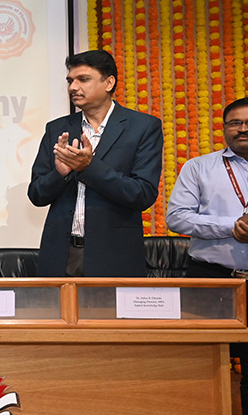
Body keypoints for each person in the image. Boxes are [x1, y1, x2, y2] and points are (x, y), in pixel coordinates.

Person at [166, 96, 248, 415]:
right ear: (224, 128)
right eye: (234, 122)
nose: (243, 128)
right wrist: (231, 226)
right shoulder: (199, 167)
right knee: (201, 365)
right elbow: (177, 218)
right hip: (211, 279)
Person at [27, 49, 163, 277]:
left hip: (114, 256)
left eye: (83, 79)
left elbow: (142, 194)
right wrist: (59, 174)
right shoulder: (57, 128)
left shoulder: (142, 127)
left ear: (109, 83)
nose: (73, 87)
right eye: (70, 81)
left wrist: (89, 168)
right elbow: (36, 195)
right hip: (60, 255)